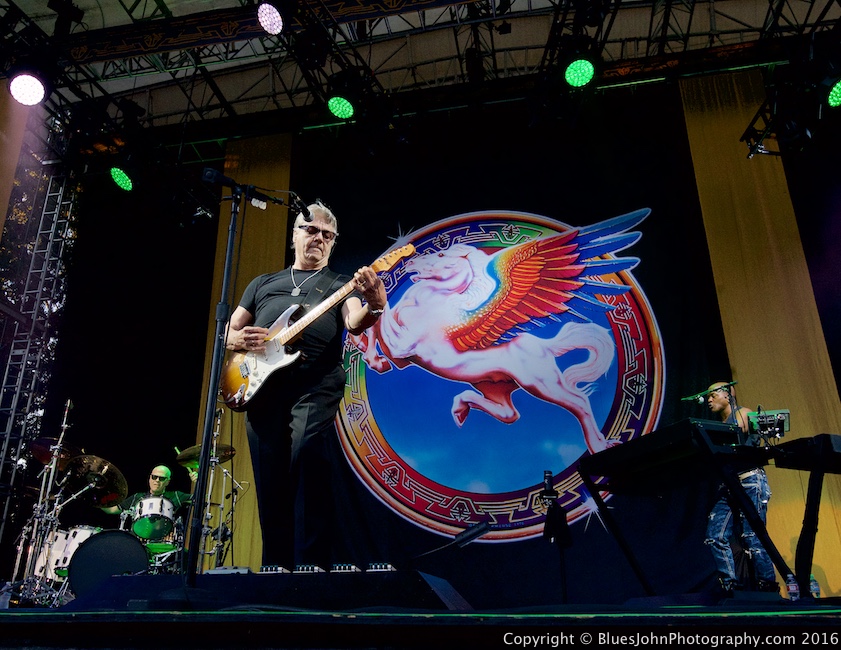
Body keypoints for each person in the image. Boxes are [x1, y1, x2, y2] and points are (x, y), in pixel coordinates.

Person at [226, 201, 387, 570]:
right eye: (311, 230)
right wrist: (238, 341)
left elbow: (355, 322)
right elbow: (228, 331)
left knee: (308, 460)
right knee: (270, 483)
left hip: (315, 387)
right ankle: (275, 569)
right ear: (294, 235)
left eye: (327, 235)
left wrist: (375, 303)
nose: (318, 238)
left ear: (333, 243)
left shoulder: (338, 284)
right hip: (261, 389)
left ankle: (312, 567)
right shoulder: (263, 283)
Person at [703, 381, 778, 593]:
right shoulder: (721, 422)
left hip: (750, 480)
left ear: (727, 395)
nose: (709, 400)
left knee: (752, 537)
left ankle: (768, 586)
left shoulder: (742, 413)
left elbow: (747, 423)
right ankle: (730, 585)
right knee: (715, 536)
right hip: (729, 484)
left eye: (713, 395)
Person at [101, 464, 196, 538]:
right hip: (138, 542)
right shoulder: (137, 497)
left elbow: (198, 499)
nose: (157, 480)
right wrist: (95, 499)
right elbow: (111, 510)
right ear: (150, 478)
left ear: (167, 482)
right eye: (154, 477)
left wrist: (197, 483)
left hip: (164, 543)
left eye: (162, 478)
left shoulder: (176, 496)